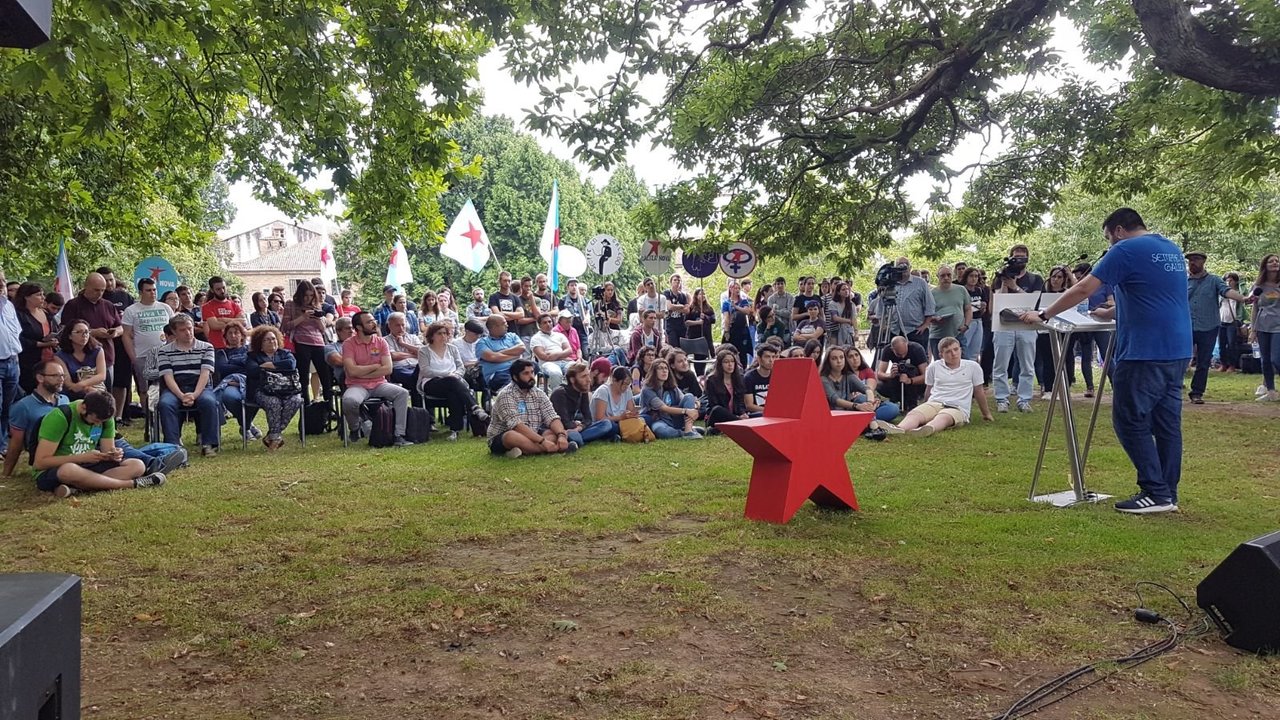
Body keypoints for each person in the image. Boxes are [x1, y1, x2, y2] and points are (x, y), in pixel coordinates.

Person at [1022, 208, 1191, 514]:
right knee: (1167, 423)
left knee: (1129, 418)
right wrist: (1111, 313)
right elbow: (1154, 296)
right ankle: (1168, 493)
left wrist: (1044, 314)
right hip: (1176, 347)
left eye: (1108, 238)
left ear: (1118, 231)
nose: (1109, 244)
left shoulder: (1126, 248)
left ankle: (1154, 491)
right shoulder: (1170, 248)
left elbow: (1085, 287)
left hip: (1144, 350)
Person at [31, 390, 165, 496]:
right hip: (57, 469)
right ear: (83, 408)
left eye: (102, 421)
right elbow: (40, 463)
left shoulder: (105, 417)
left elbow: (108, 450)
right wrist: (81, 458)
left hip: (88, 465)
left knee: (137, 465)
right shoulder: (60, 417)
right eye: (95, 421)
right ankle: (131, 484)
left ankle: (80, 487)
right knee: (69, 470)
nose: (98, 424)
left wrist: (114, 455)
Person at [880, 337, 991, 437]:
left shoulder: (973, 367)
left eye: (956, 349)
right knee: (915, 413)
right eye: (948, 352)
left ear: (960, 349)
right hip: (935, 402)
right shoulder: (934, 366)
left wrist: (986, 414)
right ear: (941, 354)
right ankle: (900, 428)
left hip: (957, 407)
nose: (953, 354)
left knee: (944, 417)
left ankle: (927, 429)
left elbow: (979, 391)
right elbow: (929, 389)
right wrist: (925, 406)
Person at [1184, 251, 1250, 403]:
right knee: (1179, 358)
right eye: (1190, 260)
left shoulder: (1214, 280)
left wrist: (1244, 299)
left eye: (1196, 260)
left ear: (1203, 262)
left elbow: (1227, 291)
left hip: (1208, 326)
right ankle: (1173, 386)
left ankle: (1196, 393)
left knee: (1204, 361)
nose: (1192, 262)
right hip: (1186, 326)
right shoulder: (1183, 281)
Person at [340, 312, 414, 447]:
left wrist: (361, 372)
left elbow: (388, 369)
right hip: (357, 385)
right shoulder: (348, 344)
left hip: (379, 384)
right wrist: (375, 366)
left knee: (402, 393)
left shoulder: (381, 342)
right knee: (349, 401)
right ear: (359, 327)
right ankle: (355, 428)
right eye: (369, 322)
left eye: (373, 320)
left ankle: (399, 435)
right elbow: (351, 370)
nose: (374, 323)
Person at [156, 313, 222, 456]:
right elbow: (168, 376)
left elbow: (205, 374)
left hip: (200, 385)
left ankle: (209, 444)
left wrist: (194, 394)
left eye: (190, 328)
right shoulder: (164, 351)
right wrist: (181, 395)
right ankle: (172, 446)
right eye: (182, 330)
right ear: (174, 332)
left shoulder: (207, 347)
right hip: (175, 387)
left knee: (209, 401)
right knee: (166, 404)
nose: (188, 332)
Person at [991, 244, 1045, 412]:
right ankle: (1001, 398)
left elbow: (1033, 302)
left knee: (1027, 365)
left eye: (1022, 256)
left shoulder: (1035, 279)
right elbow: (998, 302)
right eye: (1016, 256)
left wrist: (1015, 287)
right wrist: (1005, 284)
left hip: (1026, 325)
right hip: (1004, 324)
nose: (1019, 259)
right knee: (1000, 364)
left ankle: (1024, 399)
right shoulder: (1000, 277)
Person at [487, 359, 575, 458]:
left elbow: (552, 417)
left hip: (534, 433)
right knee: (511, 436)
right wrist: (543, 441)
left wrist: (561, 435)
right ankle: (550, 450)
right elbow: (516, 425)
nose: (531, 377)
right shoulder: (506, 395)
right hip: (505, 436)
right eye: (526, 373)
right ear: (515, 377)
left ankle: (524, 451)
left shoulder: (538, 393)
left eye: (532, 372)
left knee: (552, 432)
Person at [59, 272, 123, 408]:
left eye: (102, 290)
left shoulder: (108, 305)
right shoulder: (73, 305)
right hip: (77, 356)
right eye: (96, 290)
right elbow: (65, 329)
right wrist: (92, 332)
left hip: (106, 354)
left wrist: (114, 332)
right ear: (86, 286)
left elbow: (120, 326)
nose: (99, 293)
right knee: (80, 396)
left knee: (105, 394)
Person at [418, 321, 485, 441]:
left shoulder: (452, 349)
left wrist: (455, 375)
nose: (443, 336)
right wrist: (447, 375)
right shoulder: (424, 351)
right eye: (439, 333)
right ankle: (475, 407)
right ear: (432, 335)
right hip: (432, 383)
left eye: (445, 333)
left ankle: (455, 430)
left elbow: (460, 367)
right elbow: (426, 371)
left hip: (453, 382)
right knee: (452, 382)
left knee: (454, 393)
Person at [3, 360, 70, 477]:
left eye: (62, 375)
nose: (61, 379)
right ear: (40, 378)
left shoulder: (65, 400)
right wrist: (6, 474)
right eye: (55, 375)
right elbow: (16, 443)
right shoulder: (23, 406)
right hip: (44, 456)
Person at [244, 325, 303, 450]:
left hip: (287, 389)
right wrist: (279, 368)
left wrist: (268, 365)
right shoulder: (253, 356)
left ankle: (272, 435)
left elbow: (291, 365)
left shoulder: (285, 353)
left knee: (296, 400)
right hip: (262, 391)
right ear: (260, 342)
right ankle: (275, 438)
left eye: (273, 338)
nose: (272, 341)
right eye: (267, 339)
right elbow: (253, 370)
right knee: (273, 402)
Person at [121, 277, 174, 416]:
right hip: (142, 355)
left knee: (165, 385)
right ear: (141, 292)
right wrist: (133, 357)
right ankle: (148, 416)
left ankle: (165, 412)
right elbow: (126, 335)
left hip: (165, 354)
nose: (152, 293)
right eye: (148, 290)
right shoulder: (131, 310)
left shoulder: (165, 308)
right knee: (144, 389)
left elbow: (173, 331)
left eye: (154, 290)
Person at [283, 281, 334, 404]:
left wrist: (317, 318)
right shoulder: (290, 304)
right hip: (300, 342)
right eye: (305, 295)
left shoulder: (316, 305)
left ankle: (328, 404)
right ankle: (305, 405)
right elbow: (285, 326)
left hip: (318, 342)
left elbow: (323, 329)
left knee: (325, 376)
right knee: (303, 376)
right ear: (299, 294)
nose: (308, 299)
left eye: (311, 296)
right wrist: (302, 317)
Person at [820, 345, 900, 423]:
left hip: (852, 411)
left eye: (841, 357)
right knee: (861, 399)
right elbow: (835, 400)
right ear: (828, 361)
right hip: (834, 413)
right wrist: (857, 406)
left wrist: (870, 403)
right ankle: (868, 421)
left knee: (893, 408)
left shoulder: (849, 375)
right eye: (834, 358)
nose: (839, 361)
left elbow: (867, 389)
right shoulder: (824, 379)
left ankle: (867, 420)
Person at [98, 266, 136, 425]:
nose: (109, 283)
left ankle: (119, 416)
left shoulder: (125, 297)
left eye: (111, 279)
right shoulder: (97, 300)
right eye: (105, 280)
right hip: (102, 347)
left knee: (122, 381)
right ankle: (103, 414)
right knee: (105, 382)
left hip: (123, 345)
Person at [550, 362, 618, 446]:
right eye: (583, 376)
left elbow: (588, 418)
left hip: (576, 428)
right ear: (572, 380)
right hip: (562, 429)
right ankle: (589, 438)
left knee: (607, 424)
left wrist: (580, 427)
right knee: (574, 436)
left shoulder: (582, 391)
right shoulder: (560, 393)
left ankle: (580, 440)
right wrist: (576, 425)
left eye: (588, 375)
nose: (588, 380)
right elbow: (564, 422)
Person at [214, 322, 261, 441]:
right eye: (230, 333)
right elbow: (222, 367)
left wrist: (235, 365)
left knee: (255, 396)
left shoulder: (250, 350)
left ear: (242, 335)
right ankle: (248, 426)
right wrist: (244, 366)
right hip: (231, 383)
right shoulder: (221, 353)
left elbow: (255, 367)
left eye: (236, 333)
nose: (233, 336)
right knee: (230, 397)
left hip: (250, 382)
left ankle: (245, 426)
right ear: (225, 336)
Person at [875, 258, 937, 349]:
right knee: (896, 359)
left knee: (918, 360)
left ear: (910, 267)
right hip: (894, 330)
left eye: (906, 264)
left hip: (915, 331)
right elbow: (881, 307)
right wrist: (883, 326)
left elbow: (930, 305)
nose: (903, 267)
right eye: (900, 265)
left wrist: (925, 325)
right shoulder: (890, 284)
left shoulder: (920, 283)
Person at [1035, 265, 1075, 399]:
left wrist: (1070, 275)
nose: (1056, 280)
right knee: (1048, 359)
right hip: (1046, 331)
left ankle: (1064, 387)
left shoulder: (1068, 293)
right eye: (1053, 276)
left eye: (1059, 277)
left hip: (1065, 329)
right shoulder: (1043, 294)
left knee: (1066, 358)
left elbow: (1079, 291)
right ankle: (1048, 389)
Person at [640, 359, 702, 439]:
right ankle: (684, 432)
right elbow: (664, 408)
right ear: (654, 371)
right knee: (661, 431)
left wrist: (696, 404)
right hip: (659, 420)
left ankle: (689, 430)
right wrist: (686, 411)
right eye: (660, 368)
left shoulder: (672, 386)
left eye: (666, 368)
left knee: (689, 396)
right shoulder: (647, 389)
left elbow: (686, 399)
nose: (664, 371)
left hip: (675, 418)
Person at [15, 282, 58, 393]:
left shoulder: (45, 313)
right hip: (28, 363)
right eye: (39, 294)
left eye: (43, 294)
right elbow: (18, 339)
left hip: (49, 359)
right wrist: (41, 344)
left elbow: (55, 330)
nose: (43, 297)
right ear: (27, 297)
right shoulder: (19, 314)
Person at [1250, 253, 1280, 402]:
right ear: (1265, 266)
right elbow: (1255, 308)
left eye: (1277, 261)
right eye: (1271, 261)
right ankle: (1271, 391)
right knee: (1265, 359)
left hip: (1278, 326)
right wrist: (1252, 329)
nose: (1275, 263)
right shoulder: (1258, 286)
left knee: (1276, 358)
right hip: (1262, 326)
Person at [54, 320, 108, 401]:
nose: (84, 335)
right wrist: (85, 388)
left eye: (87, 332)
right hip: (72, 393)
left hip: (95, 390)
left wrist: (85, 386)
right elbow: (68, 383)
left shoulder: (98, 350)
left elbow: (101, 376)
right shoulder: (60, 356)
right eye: (79, 332)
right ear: (69, 336)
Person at [929, 265, 972, 360]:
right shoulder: (931, 294)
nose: (946, 278)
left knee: (964, 363)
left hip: (958, 334)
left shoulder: (961, 290)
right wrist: (934, 319)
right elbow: (926, 314)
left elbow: (968, 309)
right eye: (943, 276)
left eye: (949, 275)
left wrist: (966, 325)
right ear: (938, 277)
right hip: (938, 336)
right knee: (941, 367)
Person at [875, 335, 927, 411]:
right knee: (879, 385)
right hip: (897, 380)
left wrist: (910, 380)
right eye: (898, 354)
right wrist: (890, 375)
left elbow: (926, 376)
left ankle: (912, 401)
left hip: (915, 381)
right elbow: (879, 373)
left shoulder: (917, 349)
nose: (902, 357)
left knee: (912, 371)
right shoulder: (887, 350)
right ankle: (897, 401)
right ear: (892, 349)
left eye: (904, 353)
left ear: (907, 344)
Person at [477, 315, 525, 392]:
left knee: (531, 367)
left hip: (518, 369)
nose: (507, 325)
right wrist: (515, 355)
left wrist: (497, 354)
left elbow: (522, 348)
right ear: (494, 327)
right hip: (498, 374)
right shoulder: (482, 342)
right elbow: (492, 357)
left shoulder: (512, 336)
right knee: (515, 381)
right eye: (504, 323)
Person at [703, 349, 748, 431]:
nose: (730, 364)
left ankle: (739, 423)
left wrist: (742, 413)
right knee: (717, 409)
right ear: (720, 364)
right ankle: (741, 423)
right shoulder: (711, 380)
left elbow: (740, 401)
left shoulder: (740, 378)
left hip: (735, 415)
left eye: (732, 361)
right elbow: (714, 404)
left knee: (759, 415)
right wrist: (736, 417)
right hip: (718, 416)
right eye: (726, 362)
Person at [201, 276, 246, 352]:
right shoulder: (206, 307)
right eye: (218, 289)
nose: (222, 291)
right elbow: (214, 325)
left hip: (236, 346)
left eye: (223, 288)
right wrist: (235, 322)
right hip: (217, 346)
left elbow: (243, 322)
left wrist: (223, 319)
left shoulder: (234, 305)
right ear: (212, 290)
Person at [383, 311, 422, 400]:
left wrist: (403, 344)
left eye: (403, 325)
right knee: (416, 379)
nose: (401, 328)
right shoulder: (384, 340)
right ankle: (421, 411)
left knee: (418, 377)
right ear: (389, 326)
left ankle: (420, 411)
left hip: (416, 368)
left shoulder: (413, 338)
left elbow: (422, 353)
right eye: (397, 325)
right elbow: (393, 356)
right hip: (399, 369)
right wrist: (413, 354)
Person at [591, 365, 640, 436]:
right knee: (608, 425)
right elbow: (600, 419)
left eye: (628, 384)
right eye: (624, 384)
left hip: (620, 422)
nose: (626, 387)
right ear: (614, 380)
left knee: (645, 418)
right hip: (603, 424)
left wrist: (633, 414)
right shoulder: (603, 391)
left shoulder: (627, 390)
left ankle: (617, 434)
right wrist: (620, 417)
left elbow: (631, 410)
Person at [529, 313, 574, 390]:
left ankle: (573, 394)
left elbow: (569, 350)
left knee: (577, 370)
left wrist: (554, 354)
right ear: (539, 325)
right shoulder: (536, 338)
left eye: (550, 322)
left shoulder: (559, 335)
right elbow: (543, 357)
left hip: (564, 362)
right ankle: (557, 397)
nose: (548, 324)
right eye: (545, 322)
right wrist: (563, 355)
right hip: (547, 364)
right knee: (556, 373)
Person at [721, 280, 754, 366]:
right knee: (730, 351)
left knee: (743, 353)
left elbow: (747, 311)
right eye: (735, 288)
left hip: (743, 330)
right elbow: (726, 317)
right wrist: (726, 331)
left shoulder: (743, 301)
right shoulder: (726, 303)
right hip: (733, 330)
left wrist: (736, 306)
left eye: (738, 288)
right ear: (730, 289)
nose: (737, 290)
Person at [1218, 272, 1246, 373]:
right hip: (1221, 320)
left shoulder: (1239, 293)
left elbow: (1244, 294)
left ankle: (1232, 365)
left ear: (1235, 281)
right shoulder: (1221, 294)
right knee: (1221, 344)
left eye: (1231, 280)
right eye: (1227, 280)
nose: (1228, 282)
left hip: (1233, 321)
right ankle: (1223, 364)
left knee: (1231, 344)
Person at [958, 268, 988, 363]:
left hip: (978, 320)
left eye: (976, 276)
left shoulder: (980, 290)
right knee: (965, 347)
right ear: (966, 277)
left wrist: (982, 306)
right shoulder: (962, 290)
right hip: (967, 321)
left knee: (976, 349)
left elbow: (983, 307)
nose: (974, 279)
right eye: (971, 276)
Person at [742, 343, 777, 415]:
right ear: (759, 359)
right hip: (757, 415)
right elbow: (749, 405)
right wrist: (770, 411)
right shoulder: (749, 377)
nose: (771, 360)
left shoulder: (777, 375)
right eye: (767, 357)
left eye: (773, 357)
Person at [825, 282, 858, 347]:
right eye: (843, 290)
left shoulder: (851, 304)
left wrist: (856, 332)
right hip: (835, 331)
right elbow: (835, 318)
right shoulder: (833, 303)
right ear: (838, 292)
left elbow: (854, 318)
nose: (846, 291)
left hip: (848, 331)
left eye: (847, 289)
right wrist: (848, 321)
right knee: (835, 350)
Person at [663, 274, 689, 344]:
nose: (677, 282)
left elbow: (687, 310)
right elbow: (669, 307)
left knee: (682, 347)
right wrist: (681, 306)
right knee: (674, 346)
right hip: (671, 325)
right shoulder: (667, 293)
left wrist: (675, 307)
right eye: (675, 280)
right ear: (671, 282)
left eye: (679, 280)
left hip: (681, 326)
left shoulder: (683, 296)